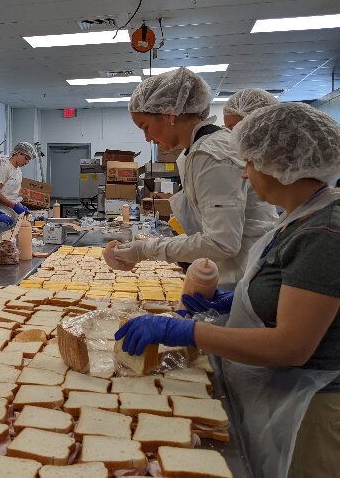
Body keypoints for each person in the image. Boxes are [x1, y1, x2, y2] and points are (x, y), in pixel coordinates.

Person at [115, 103, 340, 478]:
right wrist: (232, 302)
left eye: (250, 162)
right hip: (285, 394)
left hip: (313, 408)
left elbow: (291, 347)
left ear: (282, 164)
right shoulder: (299, 218)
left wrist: (189, 331)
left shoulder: (323, 231)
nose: (245, 174)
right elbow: (290, 289)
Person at [111, 68, 277, 288]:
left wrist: (146, 250)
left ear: (169, 114)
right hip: (233, 273)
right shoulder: (195, 151)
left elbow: (221, 242)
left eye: (146, 127)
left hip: (244, 278)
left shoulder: (210, 154)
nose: (148, 138)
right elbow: (207, 233)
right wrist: (143, 247)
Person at [0, 142, 36, 225]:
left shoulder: (18, 170)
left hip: (13, 215)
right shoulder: (4, 168)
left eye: (28, 160)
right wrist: (13, 206)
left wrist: (20, 206)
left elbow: (12, 195)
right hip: (2, 215)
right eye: (26, 158)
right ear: (18, 153)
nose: (26, 162)